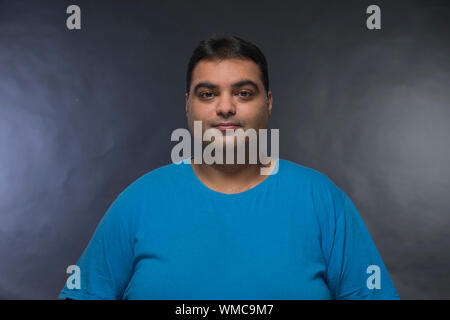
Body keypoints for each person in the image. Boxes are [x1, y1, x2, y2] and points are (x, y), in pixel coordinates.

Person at [58, 34, 399, 300]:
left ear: (268, 103)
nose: (225, 108)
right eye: (207, 94)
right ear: (188, 107)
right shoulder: (138, 202)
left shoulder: (321, 200)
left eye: (244, 93)